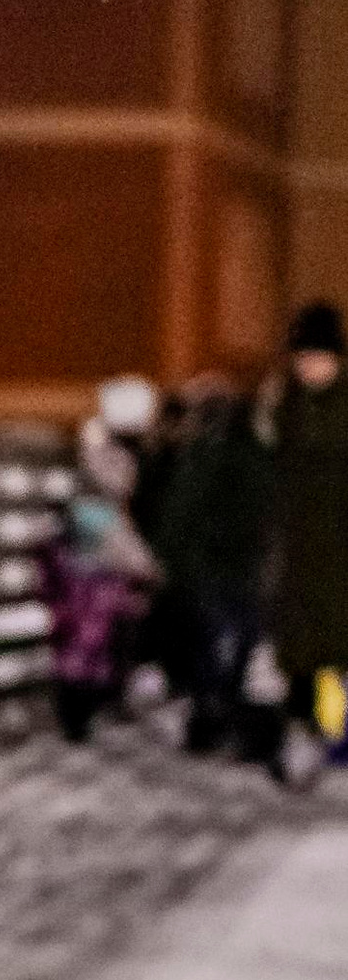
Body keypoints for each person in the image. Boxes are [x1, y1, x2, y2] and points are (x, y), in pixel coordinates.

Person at [157, 363, 284, 770]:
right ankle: (235, 727)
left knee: (221, 649)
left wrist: (177, 562)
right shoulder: (258, 454)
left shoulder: (206, 454)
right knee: (240, 649)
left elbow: (179, 516)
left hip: (216, 571)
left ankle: (215, 723)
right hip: (244, 570)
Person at [38, 384, 163, 742]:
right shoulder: (105, 476)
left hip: (86, 572)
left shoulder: (89, 469)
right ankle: (79, 710)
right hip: (94, 574)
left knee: (86, 643)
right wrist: (146, 566)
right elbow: (110, 530)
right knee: (90, 643)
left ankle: (81, 708)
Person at [265, 301, 348, 771]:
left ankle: (333, 734)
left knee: (334, 652)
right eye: (304, 358)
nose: (311, 367)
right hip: (296, 550)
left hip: (338, 549)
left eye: (319, 357)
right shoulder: (283, 407)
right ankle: (304, 733)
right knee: (299, 651)